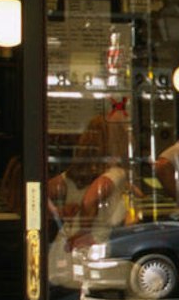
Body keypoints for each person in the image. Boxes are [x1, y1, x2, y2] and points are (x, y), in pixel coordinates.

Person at [46, 112, 132, 269]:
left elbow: (39, 193)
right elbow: (90, 199)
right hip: (93, 251)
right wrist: (84, 233)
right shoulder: (115, 174)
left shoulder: (73, 174)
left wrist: (58, 212)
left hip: (66, 251)